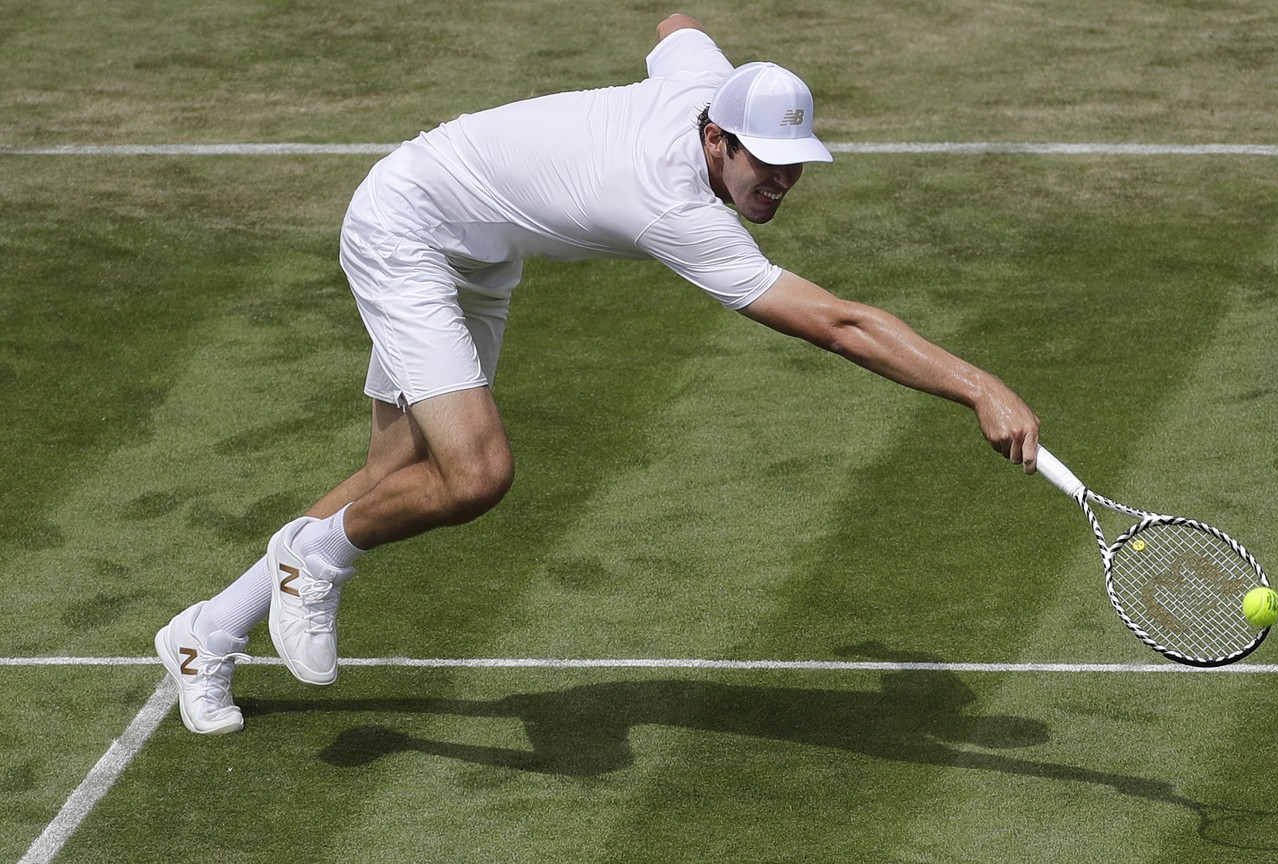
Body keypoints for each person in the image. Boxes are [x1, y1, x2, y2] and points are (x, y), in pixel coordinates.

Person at [154, 13, 1040, 735]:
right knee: (475, 474)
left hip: (478, 250)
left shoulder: (704, 83)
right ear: (717, 137)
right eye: (765, 165)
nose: (780, 183)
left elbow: (677, 22)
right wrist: (977, 385)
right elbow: (841, 325)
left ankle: (208, 632)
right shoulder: (670, 205)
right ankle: (314, 556)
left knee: (394, 479)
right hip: (407, 230)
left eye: (795, 167)